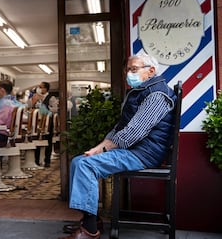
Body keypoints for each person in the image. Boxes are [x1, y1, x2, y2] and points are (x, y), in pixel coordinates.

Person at [59, 54, 176, 239]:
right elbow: (120, 128)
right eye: (127, 70)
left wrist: (103, 149)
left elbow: (134, 132)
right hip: (134, 149)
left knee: (86, 165)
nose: (129, 74)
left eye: (134, 69)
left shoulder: (157, 95)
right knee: (78, 161)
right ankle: (91, 219)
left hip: (144, 153)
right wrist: (99, 147)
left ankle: (90, 232)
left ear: (151, 71)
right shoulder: (142, 91)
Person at [28, 81, 54, 167]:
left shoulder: (51, 98)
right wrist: (33, 100)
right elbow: (28, 106)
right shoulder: (35, 96)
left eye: (41, 87)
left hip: (47, 122)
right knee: (36, 138)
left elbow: (54, 110)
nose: (39, 88)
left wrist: (44, 104)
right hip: (36, 122)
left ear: (45, 88)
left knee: (48, 141)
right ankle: (36, 160)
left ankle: (47, 160)